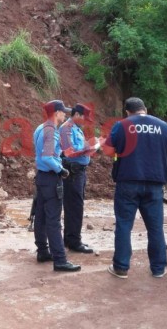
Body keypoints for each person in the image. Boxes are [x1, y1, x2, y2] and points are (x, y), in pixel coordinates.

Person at [102, 97, 167, 279]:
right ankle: (158, 268)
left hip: (128, 182)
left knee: (123, 225)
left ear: (127, 111)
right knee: (155, 227)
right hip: (155, 184)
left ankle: (121, 267)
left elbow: (107, 151)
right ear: (145, 108)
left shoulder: (122, 125)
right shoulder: (163, 126)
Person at [33, 100, 81, 272]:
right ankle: (60, 260)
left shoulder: (40, 128)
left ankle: (43, 251)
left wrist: (59, 154)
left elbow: (43, 153)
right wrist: (61, 170)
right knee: (53, 220)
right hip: (51, 179)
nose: (65, 115)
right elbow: (46, 157)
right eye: (63, 112)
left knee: (41, 216)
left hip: (41, 177)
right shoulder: (51, 131)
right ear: (57, 113)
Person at [59, 103, 97, 253]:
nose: (85, 121)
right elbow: (70, 151)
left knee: (75, 205)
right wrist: (88, 149)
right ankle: (74, 241)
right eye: (84, 118)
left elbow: (79, 146)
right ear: (77, 115)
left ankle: (70, 239)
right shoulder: (66, 129)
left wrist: (91, 145)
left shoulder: (75, 129)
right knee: (74, 206)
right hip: (72, 172)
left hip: (78, 171)